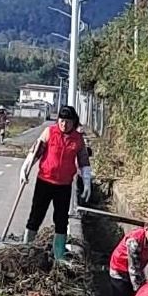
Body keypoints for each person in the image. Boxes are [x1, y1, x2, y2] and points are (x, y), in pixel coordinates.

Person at [21, 106, 91, 264]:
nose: (64, 125)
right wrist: (25, 168)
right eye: (62, 121)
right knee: (36, 215)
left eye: (68, 122)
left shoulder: (78, 139)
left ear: (74, 122)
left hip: (64, 185)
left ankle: (59, 254)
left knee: (61, 219)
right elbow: (35, 152)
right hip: (44, 181)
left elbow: (84, 162)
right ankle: (26, 248)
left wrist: (87, 182)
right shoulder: (49, 132)